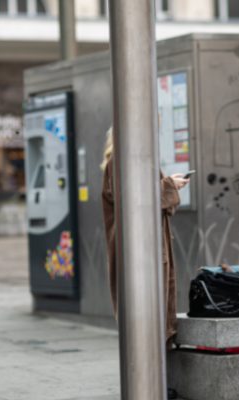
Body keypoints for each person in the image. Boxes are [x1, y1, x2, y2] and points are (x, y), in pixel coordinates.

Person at [100, 128, 188, 400]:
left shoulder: (134, 160)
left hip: (150, 248)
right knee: (146, 315)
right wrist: (169, 186)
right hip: (141, 252)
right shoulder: (120, 161)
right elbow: (133, 199)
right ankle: (149, 385)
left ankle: (156, 383)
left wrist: (168, 184)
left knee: (155, 313)